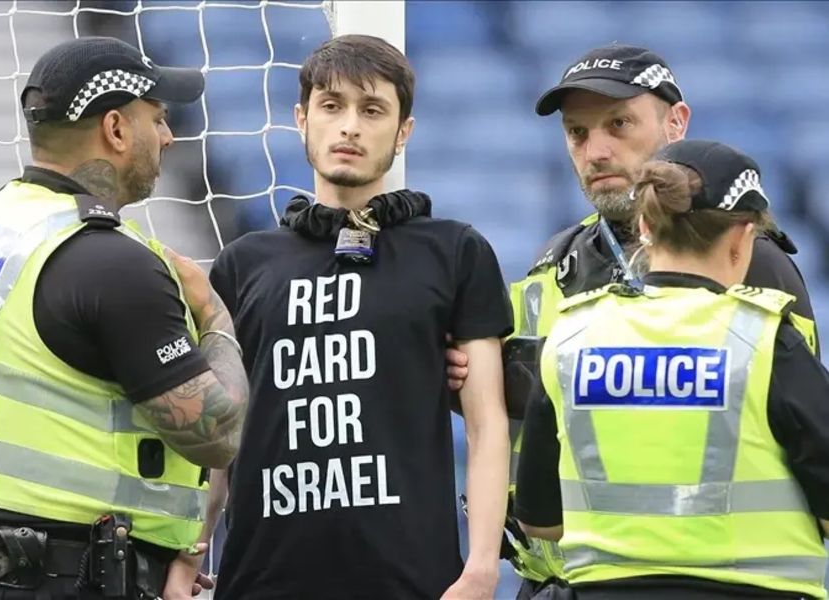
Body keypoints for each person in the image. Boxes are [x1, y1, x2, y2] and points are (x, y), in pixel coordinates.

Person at [445, 44, 821, 594]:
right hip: (553, 583)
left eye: (619, 124)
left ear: (677, 122)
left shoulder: (753, 262)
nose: (596, 151)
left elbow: (799, 434)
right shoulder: (552, 262)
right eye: (577, 133)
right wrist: (473, 382)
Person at [0, 36, 249, 600]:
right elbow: (216, 434)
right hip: (74, 574)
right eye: (158, 118)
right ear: (116, 130)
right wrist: (215, 317)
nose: (169, 136)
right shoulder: (114, 262)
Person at [199, 34, 512, 599]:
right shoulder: (244, 263)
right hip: (262, 581)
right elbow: (219, 433)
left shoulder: (454, 250)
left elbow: (487, 421)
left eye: (372, 111)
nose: (350, 127)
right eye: (332, 106)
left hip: (412, 581)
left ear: (403, 131)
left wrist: (483, 565)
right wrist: (188, 549)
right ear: (301, 118)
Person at [516, 139, 829, 599]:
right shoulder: (764, 339)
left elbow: (539, 521)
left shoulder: (571, 337)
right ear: (744, 239)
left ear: (644, 226)